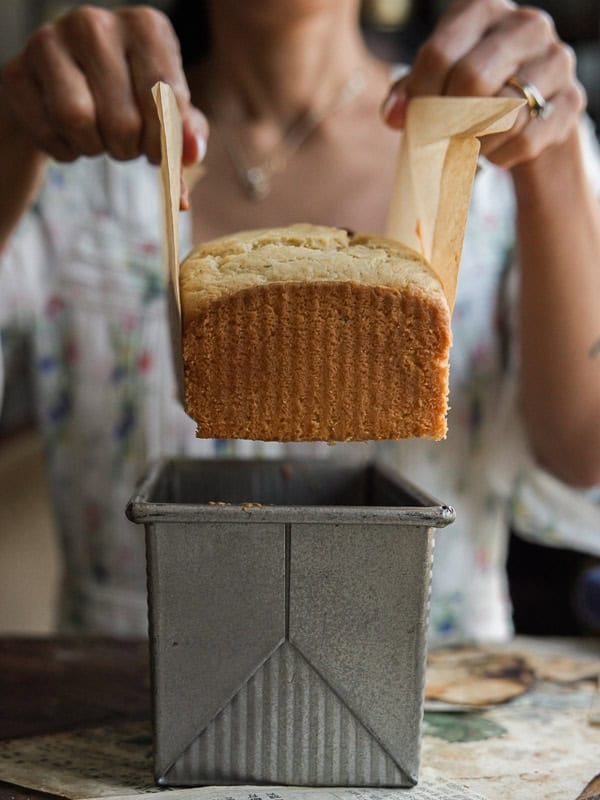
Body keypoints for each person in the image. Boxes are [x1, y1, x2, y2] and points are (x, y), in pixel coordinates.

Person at [0, 0, 599, 641]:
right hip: (123, 693)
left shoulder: (503, 145)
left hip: (435, 689)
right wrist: (7, 139)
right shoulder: (67, 158)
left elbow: (583, 452)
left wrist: (555, 150)